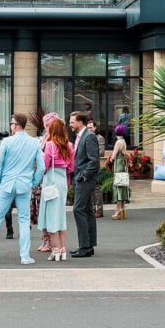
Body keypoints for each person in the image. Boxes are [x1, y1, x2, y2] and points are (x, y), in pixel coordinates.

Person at [0, 113, 45, 264]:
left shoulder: (7, 142)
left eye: (11, 123)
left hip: (7, 184)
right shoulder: (34, 142)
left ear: (16, 125)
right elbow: (41, 167)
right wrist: (33, 182)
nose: (11, 126)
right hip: (25, 185)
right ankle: (24, 256)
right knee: (24, 220)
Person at [39, 119, 73, 261]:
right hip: (62, 181)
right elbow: (71, 167)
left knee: (51, 216)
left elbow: (45, 165)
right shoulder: (69, 145)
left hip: (51, 181)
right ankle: (63, 247)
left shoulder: (50, 145)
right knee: (61, 215)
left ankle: (56, 249)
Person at [69, 110, 100, 258]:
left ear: (80, 122)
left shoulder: (89, 137)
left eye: (72, 122)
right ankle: (88, 246)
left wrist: (84, 176)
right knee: (87, 211)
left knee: (78, 210)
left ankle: (84, 246)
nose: (70, 125)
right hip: (80, 178)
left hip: (85, 179)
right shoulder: (79, 137)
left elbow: (94, 160)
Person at [35, 112, 60, 253]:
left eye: (50, 124)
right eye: (46, 124)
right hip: (42, 179)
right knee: (41, 212)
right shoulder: (44, 139)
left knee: (50, 212)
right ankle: (45, 239)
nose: (47, 127)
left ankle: (51, 241)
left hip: (49, 179)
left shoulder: (56, 141)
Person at [107, 124, 131, 220]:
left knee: (118, 186)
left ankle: (117, 211)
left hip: (118, 165)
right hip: (124, 166)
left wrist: (111, 160)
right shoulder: (124, 142)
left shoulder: (118, 142)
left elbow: (113, 156)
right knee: (123, 185)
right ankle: (122, 208)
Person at [87, 119, 106, 218]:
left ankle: (99, 210)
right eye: (88, 128)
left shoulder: (99, 138)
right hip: (87, 166)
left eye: (91, 127)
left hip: (95, 166)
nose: (89, 129)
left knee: (96, 188)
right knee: (89, 188)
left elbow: (102, 152)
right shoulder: (85, 137)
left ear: (95, 127)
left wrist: (90, 153)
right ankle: (92, 209)